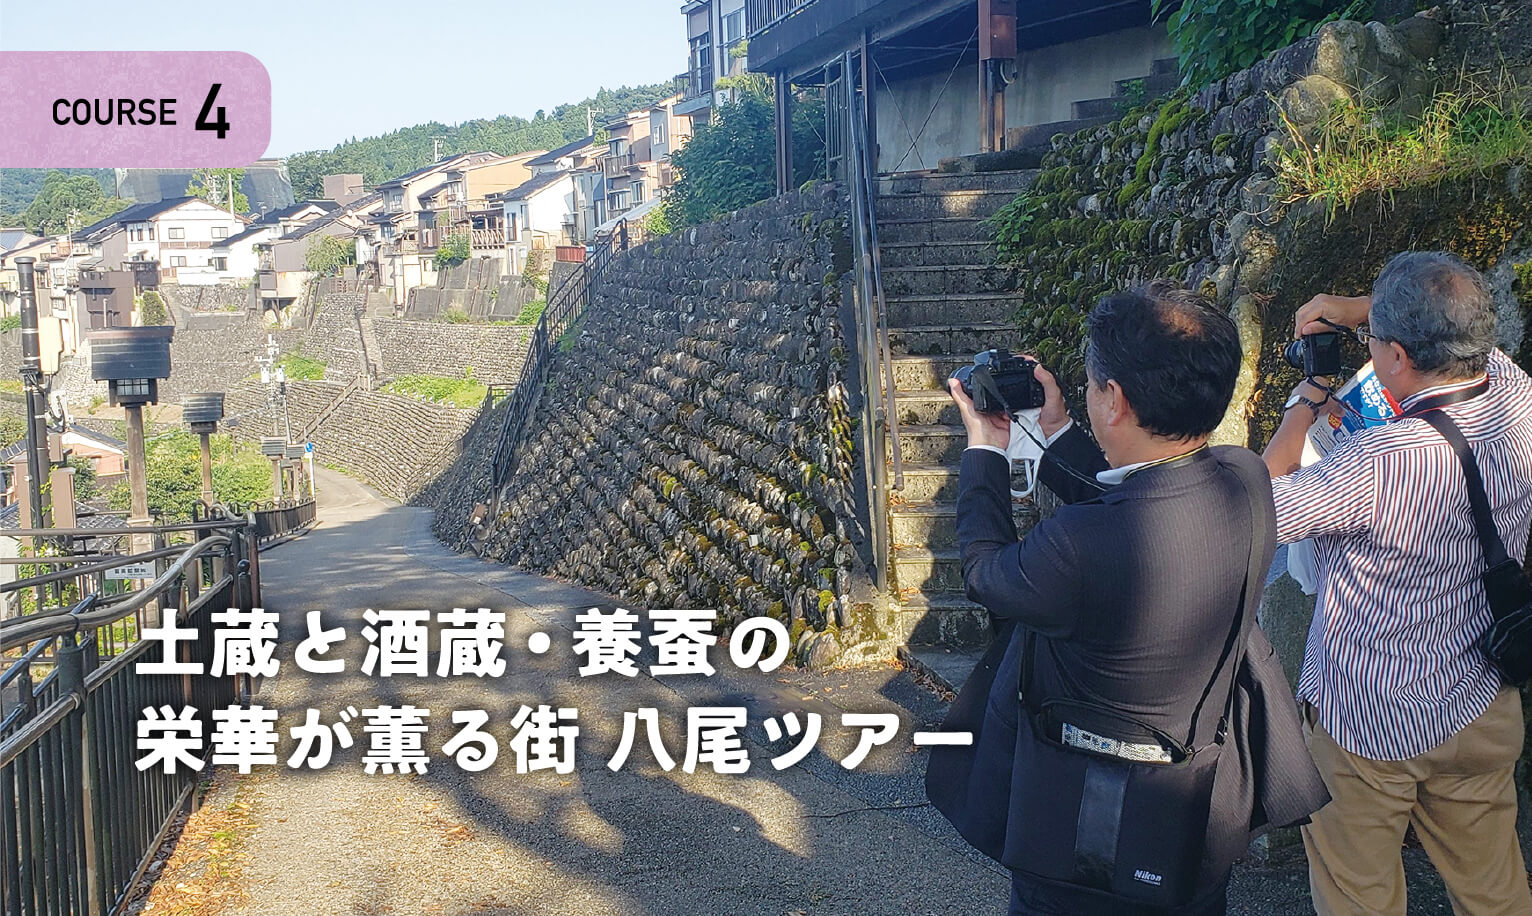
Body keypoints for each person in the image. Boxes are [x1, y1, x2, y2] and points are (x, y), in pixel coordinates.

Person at [927, 280, 1327, 916]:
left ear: (1113, 400)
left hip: (1079, 828)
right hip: (1195, 811)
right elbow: (1136, 503)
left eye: (1092, 388)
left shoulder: (1076, 545)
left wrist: (984, 449)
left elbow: (987, 573)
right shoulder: (1242, 481)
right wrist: (1056, 429)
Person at [1262, 251, 1532, 916]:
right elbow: (1472, 340)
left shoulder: (1376, 462)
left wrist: (1305, 403)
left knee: (1360, 898)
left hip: (1367, 726)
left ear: (1398, 359)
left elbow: (1258, 508)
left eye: (1375, 342)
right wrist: (1364, 314)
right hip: (1480, 702)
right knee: (1495, 892)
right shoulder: (1519, 400)